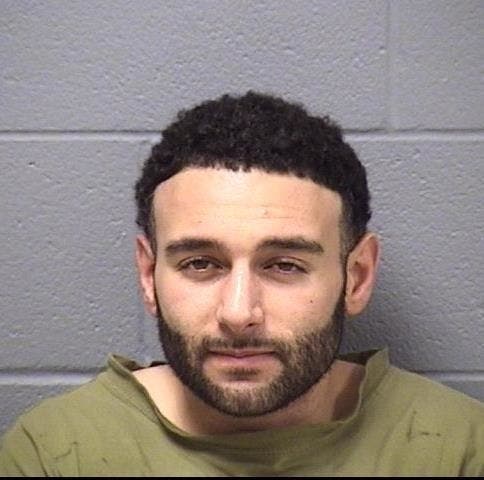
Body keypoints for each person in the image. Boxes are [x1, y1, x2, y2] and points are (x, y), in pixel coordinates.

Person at [0, 91, 483, 477]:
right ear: (148, 276)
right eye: (200, 264)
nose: (238, 313)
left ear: (356, 278)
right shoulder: (53, 454)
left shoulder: (460, 449)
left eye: (285, 266)